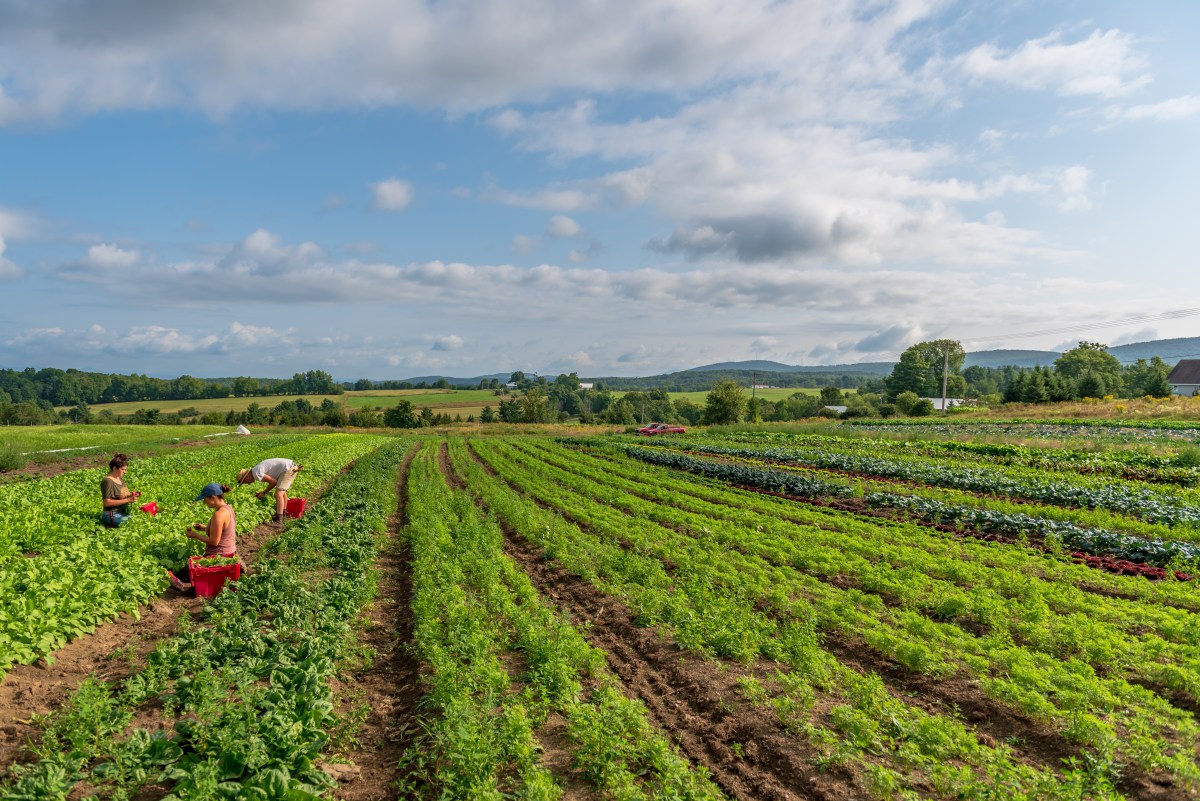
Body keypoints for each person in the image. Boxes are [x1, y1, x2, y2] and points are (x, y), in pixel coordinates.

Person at [166, 482, 237, 593]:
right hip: (230, 551)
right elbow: (223, 529)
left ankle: (183, 588)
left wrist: (195, 535)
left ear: (213, 498)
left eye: (205, 499)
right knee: (185, 571)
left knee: (183, 574)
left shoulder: (219, 515)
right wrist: (204, 528)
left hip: (218, 556)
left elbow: (214, 541)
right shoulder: (228, 508)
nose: (204, 502)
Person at [236, 458, 302, 525]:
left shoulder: (256, 473)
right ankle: (283, 515)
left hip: (288, 469)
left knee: (278, 494)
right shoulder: (255, 470)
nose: (248, 484)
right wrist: (263, 492)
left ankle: (279, 521)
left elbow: (273, 482)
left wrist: (264, 492)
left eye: (245, 482)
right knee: (282, 492)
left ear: (246, 476)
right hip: (289, 467)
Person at [100, 453, 140, 528]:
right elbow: (107, 503)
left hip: (122, 512)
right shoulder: (108, 481)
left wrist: (132, 495)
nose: (124, 472)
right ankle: (109, 525)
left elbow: (122, 496)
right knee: (134, 523)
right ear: (115, 468)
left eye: (125, 469)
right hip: (112, 514)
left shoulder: (119, 478)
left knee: (142, 516)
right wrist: (128, 499)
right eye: (122, 469)